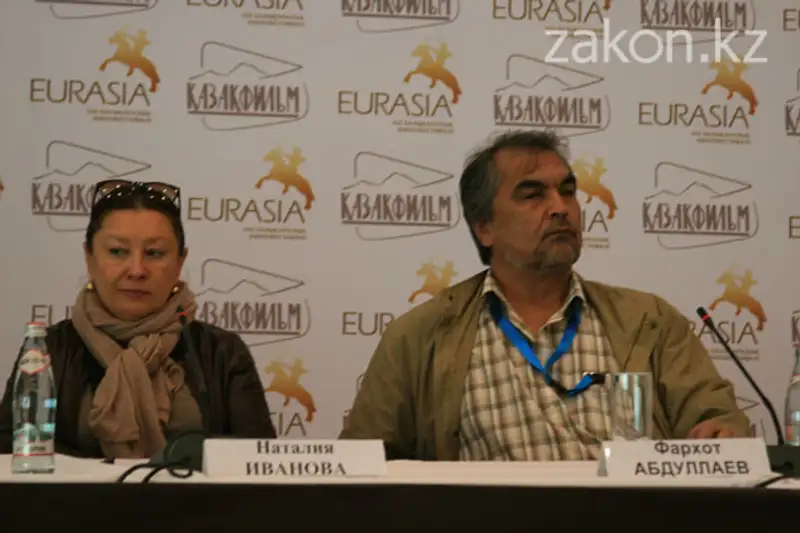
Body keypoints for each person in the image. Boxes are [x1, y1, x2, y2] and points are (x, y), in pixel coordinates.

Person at [340, 129, 750, 461]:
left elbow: (717, 417)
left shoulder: (649, 320)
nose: (560, 208)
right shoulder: (421, 336)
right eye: (533, 195)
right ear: (485, 227)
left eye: (567, 191)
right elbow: (364, 466)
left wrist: (721, 432)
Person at [0, 179, 276, 459]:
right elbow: (9, 450)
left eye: (154, 253)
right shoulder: (47, 349)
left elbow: (257, 459)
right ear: (89, 257)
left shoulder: (222, 352)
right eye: (117, 251)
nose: (137, 270)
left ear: (180, 262)